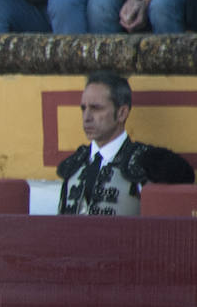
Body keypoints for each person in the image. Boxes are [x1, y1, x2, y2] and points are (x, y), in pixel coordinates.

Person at [57, 71, 195, 216]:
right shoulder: (74, 164)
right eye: (83, 108)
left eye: (96, 108)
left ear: (122, 113)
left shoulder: (147, 162)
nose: (86, 117)